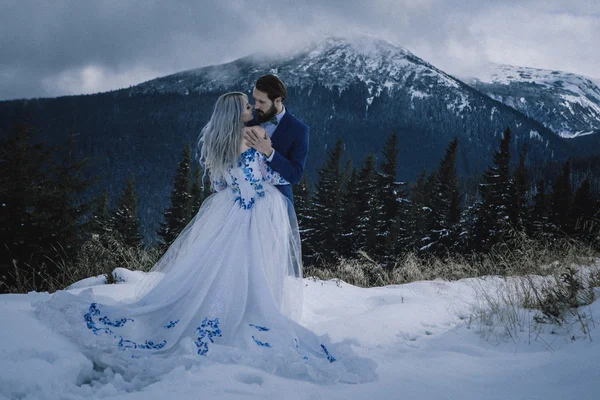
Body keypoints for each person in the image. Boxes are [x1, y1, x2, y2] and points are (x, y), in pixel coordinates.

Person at [33, 92, 376, 384]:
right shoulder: (249, 137)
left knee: (218, 269)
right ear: (235, 114)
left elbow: (224, 183)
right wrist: (269, 158)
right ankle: (235, 316)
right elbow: (256, 181)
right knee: (246, 269)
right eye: (245, 106)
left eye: (251, 104)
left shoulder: (222, 140)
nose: (251, 110)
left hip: (227, 211)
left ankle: (220, 311)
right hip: (249, 213)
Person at [243, 74, 309, 206]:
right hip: (244, 196)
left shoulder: (299, 130)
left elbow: (295, 175)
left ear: (278, 100)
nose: (255, 106)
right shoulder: (247, 118)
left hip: (278, 201)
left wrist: (269, 152)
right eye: (255, 100)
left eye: (261, 102)